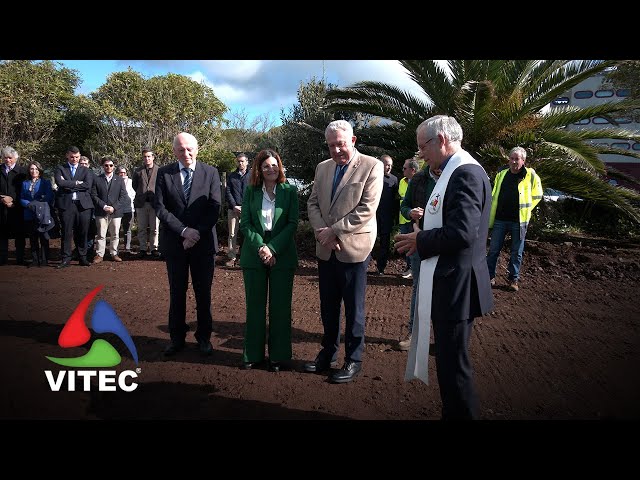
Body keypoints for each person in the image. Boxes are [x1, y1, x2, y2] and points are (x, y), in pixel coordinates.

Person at [394, 115, 493, 420]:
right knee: (449, 362)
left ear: (443, 141)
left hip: (456, 285)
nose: (420, 153)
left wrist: (421, 239)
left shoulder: (465, 174)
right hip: (451, 281)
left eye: (423, 146)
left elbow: (463, 232)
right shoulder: (454, 170)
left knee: (453, 365)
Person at [305, 119, 383, 384]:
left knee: (354, 309)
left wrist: (334, 231)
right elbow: (313, 202)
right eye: (331, 146)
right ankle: (327, 354)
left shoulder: (372, 166)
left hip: (353, 250)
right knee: (328, 307)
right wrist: (322, 232)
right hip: (326, 249)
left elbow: (366, 209)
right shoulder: (323, 168)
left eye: (340, 144)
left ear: (353, 140)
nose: (336, 150)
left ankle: (354, 359)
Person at [154, 132, 221, 357]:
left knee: (203, 293)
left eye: (190, 148)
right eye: (181, 149)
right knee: (177, 292)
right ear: (174, 151)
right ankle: (176, 338)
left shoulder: (210, 172)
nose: (186, 153)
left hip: (203, 245)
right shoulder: (164, 174)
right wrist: (183, 231)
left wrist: (195, 234)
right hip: (175, 244)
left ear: (197, 149)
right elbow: (161, 208)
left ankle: (204, 338)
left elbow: (214, 207)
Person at [239, 149, 298, 372]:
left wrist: (272, 248)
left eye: (274, 165)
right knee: (254, 308)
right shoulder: (251, 191)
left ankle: (279, 356)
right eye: (266, 166)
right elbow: (245, 223)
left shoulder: (289, 191)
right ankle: (252, 355)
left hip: (282, 256)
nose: (271, 169)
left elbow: (292, 223)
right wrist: (262, 247)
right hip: (254, 256)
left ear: (280, 167)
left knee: (280, 308)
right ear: (259, 170)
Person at [486, 146, 543, 292]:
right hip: (500, 219)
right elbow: (494, 194)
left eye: (516, 159)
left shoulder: (530, 175)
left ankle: (513, 279)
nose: (513, 161)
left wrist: (526, 208)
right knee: (493, 250)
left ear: (523, 161)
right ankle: (488, 276)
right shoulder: (502, 174)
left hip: (519, 220)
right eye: (511, 158)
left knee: (516, 251)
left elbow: (538, 194)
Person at [397, 156, 438, 351]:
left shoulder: (453, 177)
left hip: (443, 244)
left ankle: (442, 337)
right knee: (419, 288)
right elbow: (404, 206)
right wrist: (410, 212)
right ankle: (414, 334)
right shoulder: (419, 179)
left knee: (443, 290)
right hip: (418, 242)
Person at [53, 146, 94, 268]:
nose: (74, 159)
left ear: (80, 156)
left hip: (83, 205)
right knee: (66, 232)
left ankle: (82, 257)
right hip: (67, 205)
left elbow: (87, 185)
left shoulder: (86, 170)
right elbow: (60, 183)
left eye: (77, 157)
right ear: (67, 156)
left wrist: (69, 184)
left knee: (82, 231)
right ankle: (66, 258)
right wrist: (77, 183)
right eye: (72, 157)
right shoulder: (60, 168)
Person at [90, 156, 128, 263]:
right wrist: (104, 206)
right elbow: (94, 195)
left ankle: (114, 253)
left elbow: (123, 196)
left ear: (114, 166)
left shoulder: (119, 180)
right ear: (103, 166)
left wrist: (113, 207)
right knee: (101, 234)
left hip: (115, 212)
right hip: (101, 211)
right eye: (106, 165)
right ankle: (99, 254)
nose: (108, 167)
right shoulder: (97, 179)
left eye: (111, 165)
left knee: (115, 234)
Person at [20, 161, 55, 267]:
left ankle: (44, 260)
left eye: (36, 169)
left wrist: (37, 204)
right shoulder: (25, 183)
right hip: (29, 213)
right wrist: (29, 204)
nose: (34, 171)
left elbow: (49, 196)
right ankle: (35, 260)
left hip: (42, 213)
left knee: (44, 238)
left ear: (40, 170)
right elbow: (22, 197)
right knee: (33, 238)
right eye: (32, 169)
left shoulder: (45, 182)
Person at [0, 146, 28, 266]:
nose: (8, 160)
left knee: (19, 235)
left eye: (10, 158)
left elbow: (26, 190)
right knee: (2, 234)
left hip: (18, 208)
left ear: (15, 158)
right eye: (5, 158)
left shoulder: (23, 172)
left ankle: (20, 258)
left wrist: (14, 201)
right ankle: (2, 259)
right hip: (1, 208)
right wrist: (2, 198)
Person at [132, 148, 160, 257]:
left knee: (155, 228)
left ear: (153, 157)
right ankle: (143, 249)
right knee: (142, 228)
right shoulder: (138, 171)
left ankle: (154, 248)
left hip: (154, 203)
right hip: (141, 203)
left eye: (149, 156)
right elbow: (135, 185)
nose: (147, 158)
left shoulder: (159, 170)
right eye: (145, 156)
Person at [373, 154, 398, 275]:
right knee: (369, 242)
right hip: (372, 216)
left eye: (391, 165)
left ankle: (380, 268)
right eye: (387, 164)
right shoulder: (372, 176)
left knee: (385, 244)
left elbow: (395, 199)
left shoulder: (394, 180)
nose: (389, 167)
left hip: (386, 217)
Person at [225, 153, 249, 267]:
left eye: (242, 161)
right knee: (232, 234)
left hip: (248, 210)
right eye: (239, 161)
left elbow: (254, 192)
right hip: (233, 209)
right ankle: (232, 257)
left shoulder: (252, 176)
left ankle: (244, 257)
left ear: (247, 162)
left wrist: (246, 207)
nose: (240, 163)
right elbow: (228, 192)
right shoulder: (232, 176)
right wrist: (234, 206)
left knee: (247, 234)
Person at [398, 157, 419, 279]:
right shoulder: (402, 181)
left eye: (405, 168)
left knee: (412, 246)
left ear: (412, 170)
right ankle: (409, 267)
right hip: (403, 219)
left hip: (413, 221)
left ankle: (413, 269)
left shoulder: (419, 183)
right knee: (406, 245)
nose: (403, 170)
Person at [76, 155, 96, 259]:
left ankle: (89, 251)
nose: (83, 165)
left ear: (88, 165)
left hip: (90, 205)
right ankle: (79, 251)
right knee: (78, 229)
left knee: (90, 230)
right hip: (77, 205)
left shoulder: (92, 175)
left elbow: (93, 189)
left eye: (85, 164)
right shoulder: (74, 174)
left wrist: (79, 184)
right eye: (81, 164)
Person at [117, 166, 136, 254]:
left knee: (127, 229)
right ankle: (115, 248)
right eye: (121, 172)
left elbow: (133, 194)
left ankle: (127, 248)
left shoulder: (131, 182)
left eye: (124, 172)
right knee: (116, 230)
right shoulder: (115, 181)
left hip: (129, 209)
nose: (123, 174)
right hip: (117, 209)